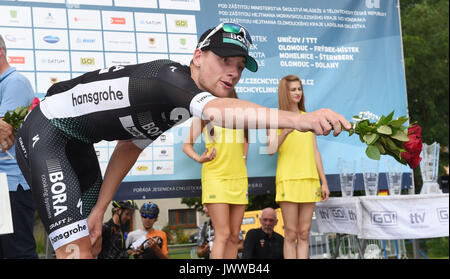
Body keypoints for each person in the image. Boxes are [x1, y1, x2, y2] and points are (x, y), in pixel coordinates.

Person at [14, 22, 350, 258]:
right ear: (198, 56)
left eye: (239, 66)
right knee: (75, 252)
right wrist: (300, 118)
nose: (232, 72)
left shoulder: (178, 106)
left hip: (77, 145)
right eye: (224, 60)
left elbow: (129, 146)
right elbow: (221, 111)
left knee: (92, 242)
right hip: (47, 131)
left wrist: (100, 210)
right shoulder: (170, 81)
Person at [267, 75, 331, 259]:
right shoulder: (275, 117)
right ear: (284, 93)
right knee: (291, 234)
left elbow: (315, 151)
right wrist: (286, 130)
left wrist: (323, 182)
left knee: (304, 233)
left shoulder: (309, 117)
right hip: (288, 179)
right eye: (293, 89)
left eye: (299, 89)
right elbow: (270, 150)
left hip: (309, 179)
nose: (297, 93)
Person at [183, 84, 249, 259]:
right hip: (216, 178)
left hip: (239, 179)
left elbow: (245, 141)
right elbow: (186, 145)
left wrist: (243, 159)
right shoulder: (204, 114)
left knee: (235, 236)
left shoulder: (240, 115)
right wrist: (200, 158)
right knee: (223, 234)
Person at [0, 34, 37, 259]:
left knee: (17, 253)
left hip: (12, 186)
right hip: (3, 186)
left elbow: (2, 138)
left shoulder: (15, 82)